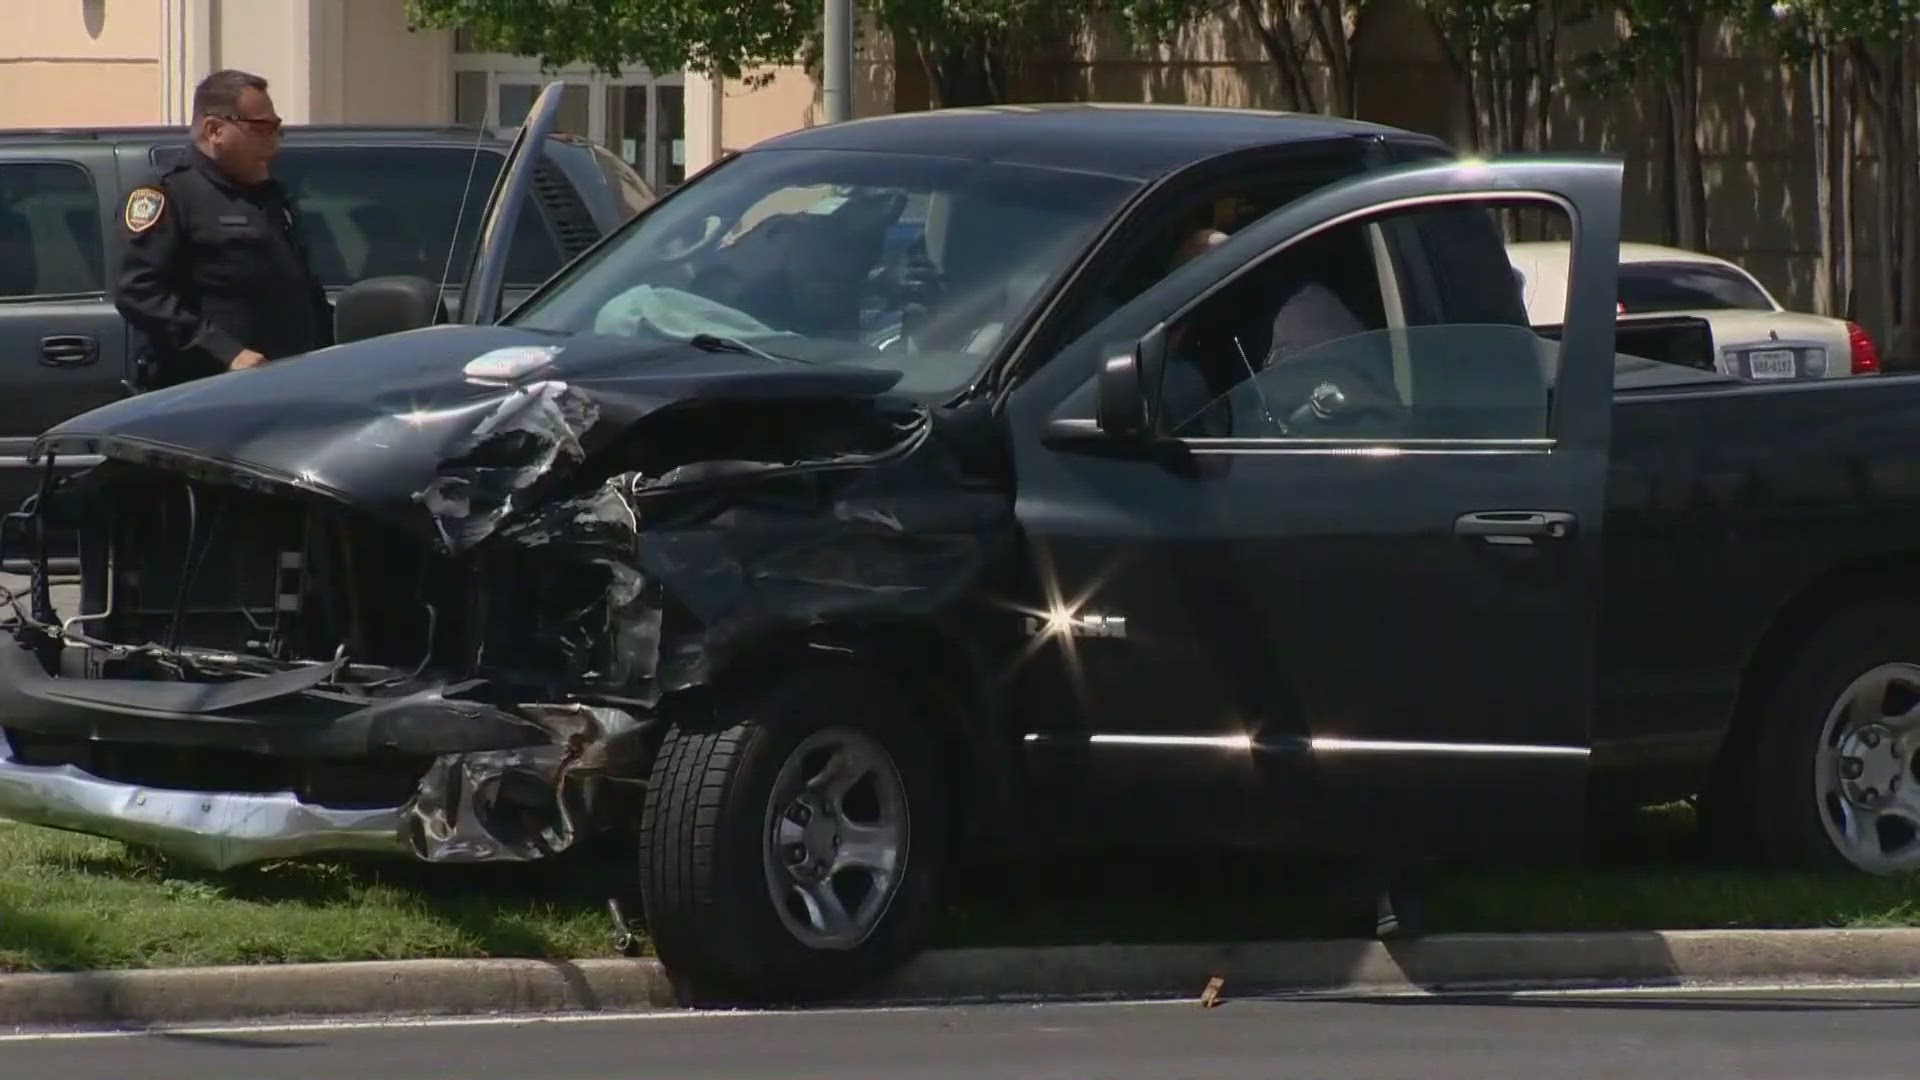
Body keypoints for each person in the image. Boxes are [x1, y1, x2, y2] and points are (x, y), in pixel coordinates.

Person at [114, 69, 332, 390]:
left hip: (286, 383)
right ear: (215, 129)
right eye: (262, 127)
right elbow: (139, 292)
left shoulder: (269, 196)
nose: (275, 138)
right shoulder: (170, 195)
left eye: (277, 127)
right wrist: (225, 352)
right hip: (204, 389)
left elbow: (301, 287)